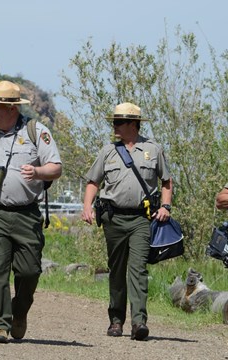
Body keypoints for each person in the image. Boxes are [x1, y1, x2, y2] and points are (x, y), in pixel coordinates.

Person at [0, 80, 62, 343]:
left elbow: (56, 167)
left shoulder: (35, 131)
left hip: (26, 214)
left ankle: (19, 313)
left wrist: (39, 172)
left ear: (12, 109)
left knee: (29, 272)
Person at [81, 102, 172, 341]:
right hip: (113, 218)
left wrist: (165, 206)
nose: (114, 126)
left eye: (119, 122)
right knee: (117, 270)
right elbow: (93, 181)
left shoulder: (153, 149)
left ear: (133, 124)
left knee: (138, 269)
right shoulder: (108, 151)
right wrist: (87, 207)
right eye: (114, 121)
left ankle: (139, 322)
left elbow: (166, 182)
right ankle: (116, 320)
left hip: (142, 219)